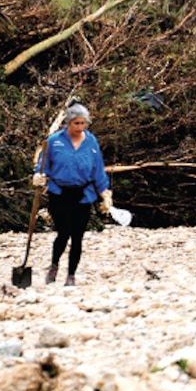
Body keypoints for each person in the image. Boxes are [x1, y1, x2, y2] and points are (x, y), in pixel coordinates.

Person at [32, 103, 112, 286]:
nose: (80, 127)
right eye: (76, 123)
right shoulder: (54, 141)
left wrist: (105, 194)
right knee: (64, 231)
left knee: (78, 235)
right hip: (59, 192)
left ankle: (71, 275)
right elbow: (43, 165)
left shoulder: (91, 142)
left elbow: (98, 169)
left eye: (83, 123)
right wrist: (39, 175)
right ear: (68, 122)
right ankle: (54, 266)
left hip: (84, 194)